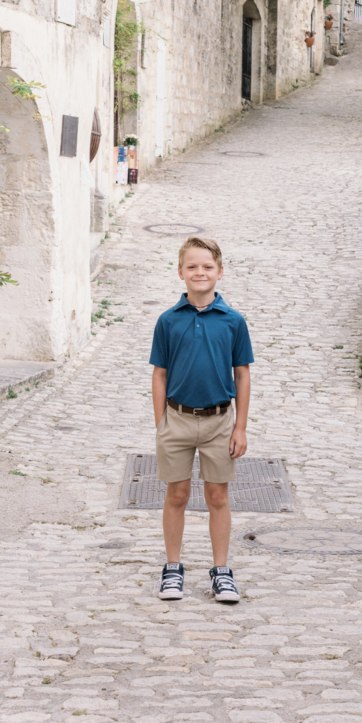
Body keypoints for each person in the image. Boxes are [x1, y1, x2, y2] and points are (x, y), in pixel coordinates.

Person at [149, 236, 253, 603]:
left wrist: (240, 426)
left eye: (207, 266)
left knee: (217, 496)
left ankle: (221, 571)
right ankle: (173, 568)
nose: (200, 272)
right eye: (192, 266)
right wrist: (162, 422)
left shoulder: (233, 321)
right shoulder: (168, 321)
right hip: (176, 419)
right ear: (181, 272)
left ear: (220, 272)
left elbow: (242, 373)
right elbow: (159, 373)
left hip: (219, 421)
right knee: (176, 494)